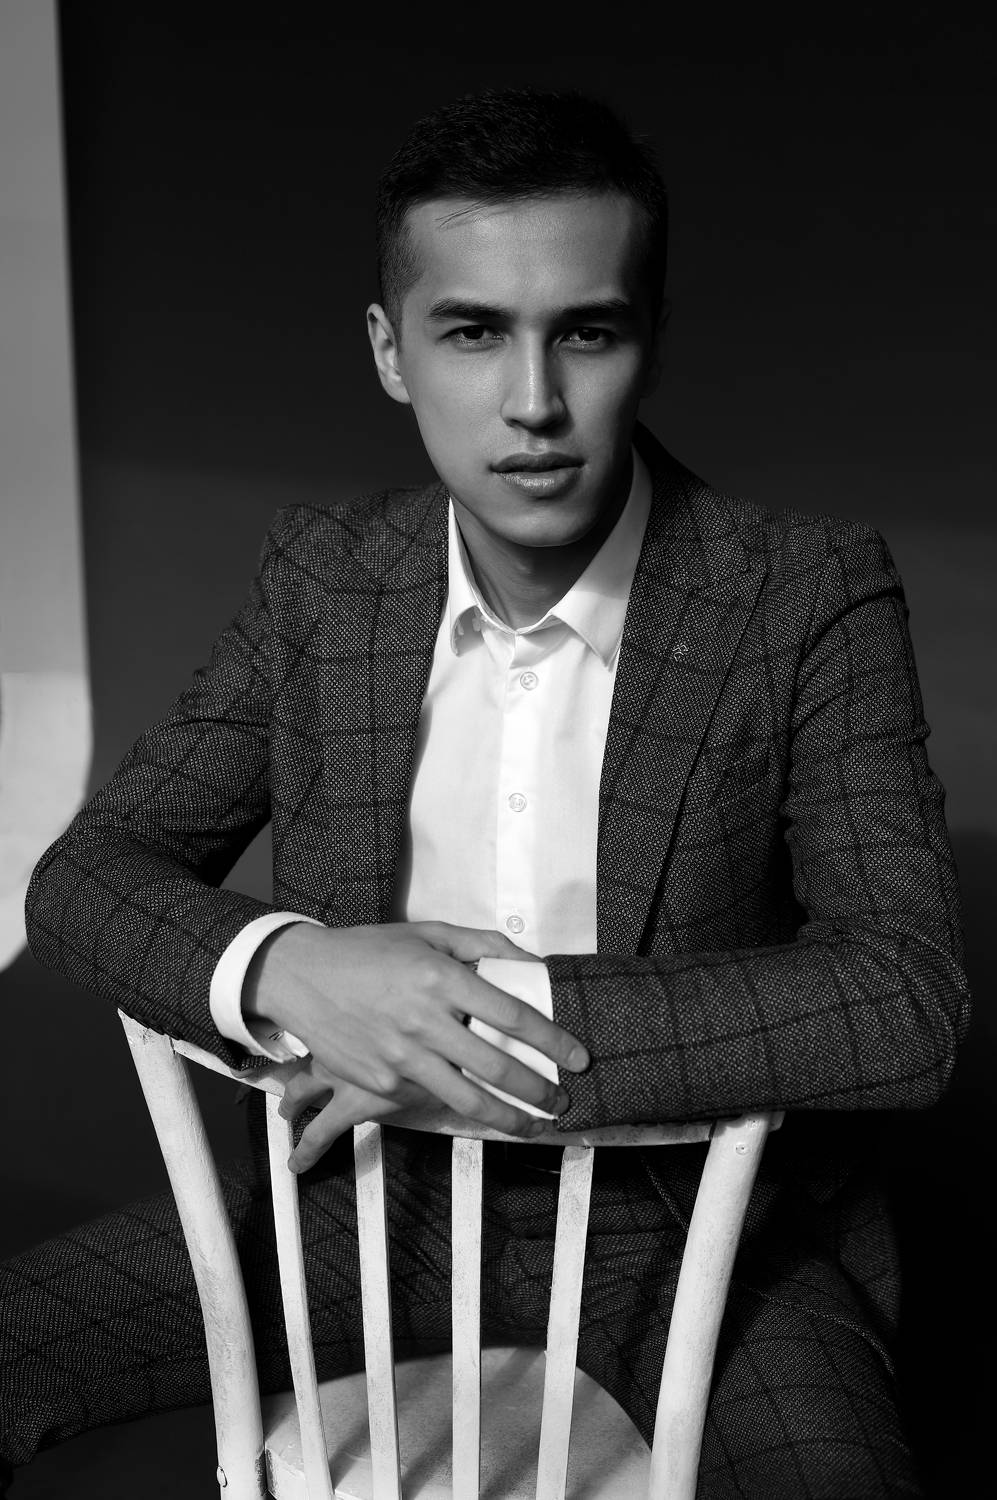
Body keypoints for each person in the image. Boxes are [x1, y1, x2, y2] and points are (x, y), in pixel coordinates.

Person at [4, 88, 968, 1497]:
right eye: (471, 332)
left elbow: (903, 997)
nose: (532, 402)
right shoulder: (326, 582)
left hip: (694, 1233)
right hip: (368, 1209)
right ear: (389, 352)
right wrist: (291, 967)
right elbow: (85, 879)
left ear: (648, 338)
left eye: (584, 331)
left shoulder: (800, 591)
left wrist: (460, 1021)